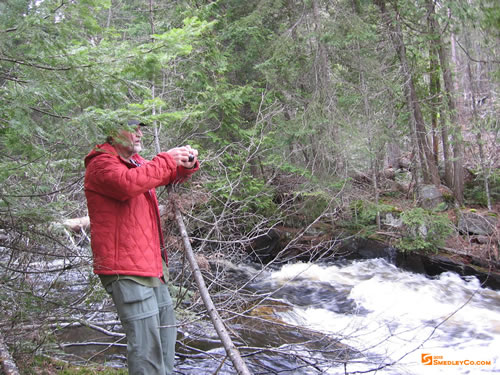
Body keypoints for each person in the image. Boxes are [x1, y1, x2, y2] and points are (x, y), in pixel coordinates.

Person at [84, 119, 199, 374]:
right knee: (146, 351)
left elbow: (157, 174)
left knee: (166, 341)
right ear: (113, 134)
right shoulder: (101, 164)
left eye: (140, 129)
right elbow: (129, 184)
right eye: (132, 129)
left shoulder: (134, 162)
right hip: (126, 270)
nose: (139, 134)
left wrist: (183, 165)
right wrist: (167, 159)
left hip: (150, 266)